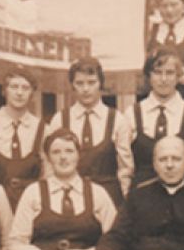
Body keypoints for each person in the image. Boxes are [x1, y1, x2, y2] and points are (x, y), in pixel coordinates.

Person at [47, 57, 133, 206]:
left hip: (109, 198)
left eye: (91, 82)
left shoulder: (117, 120)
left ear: (101, 84)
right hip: (72, 198)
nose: (86, 89)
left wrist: (126, 203)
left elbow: (125, 169)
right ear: (72, 86)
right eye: (79, 83)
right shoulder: (59, 120)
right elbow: (51, 165)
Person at [126, 48, 184, 188]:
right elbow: (125, 165)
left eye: (169, 73)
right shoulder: (132, 113)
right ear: (149, 76)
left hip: (181, 196)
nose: (163, 79)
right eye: (157, 72)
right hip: (142, 195)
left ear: (178, 76)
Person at [0, 65, 47, 210]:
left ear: (32, 93)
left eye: (25, 88)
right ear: (4, 90)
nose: (19, 93)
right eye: (14, 87)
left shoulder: (42, 129)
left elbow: (47, 176)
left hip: (32, 206)